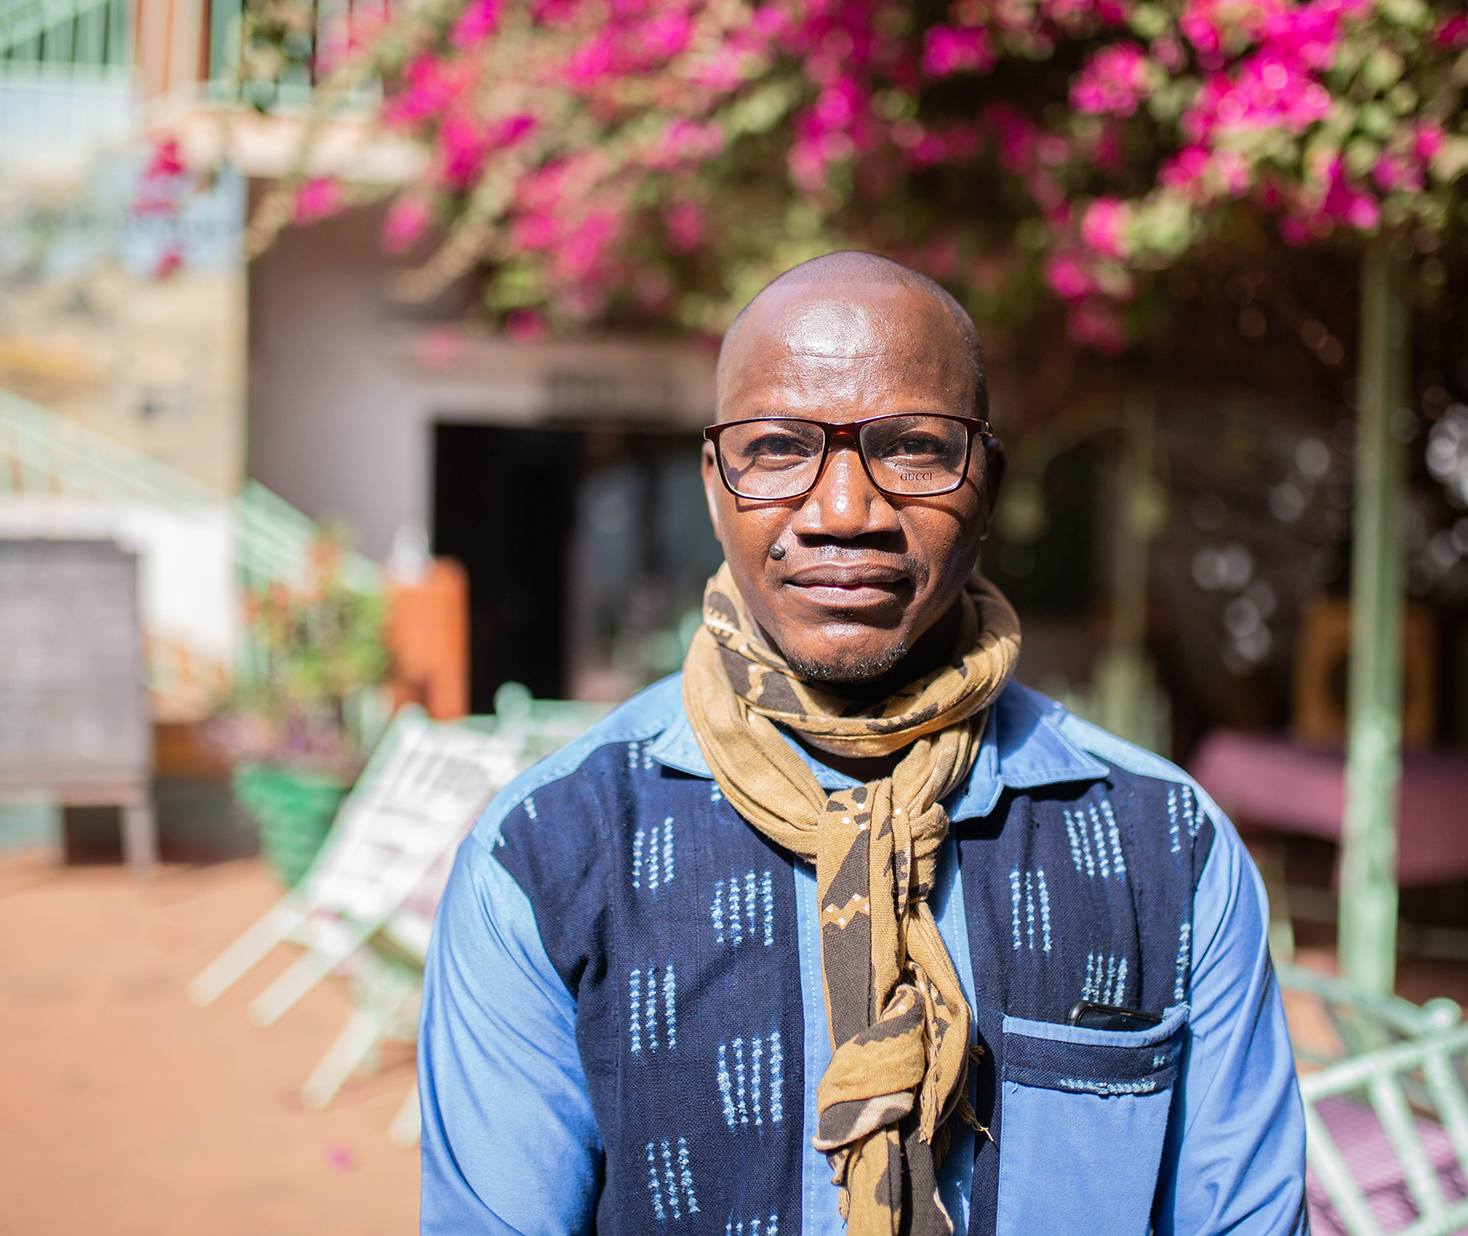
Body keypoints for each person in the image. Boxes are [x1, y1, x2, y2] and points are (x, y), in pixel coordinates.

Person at [419, 252, 1308, 1235]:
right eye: (776, 448)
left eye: (916, 446)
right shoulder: (552, 855)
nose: (845, 512)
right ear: (715, 484)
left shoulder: (1163, 852)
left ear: (988, 484)